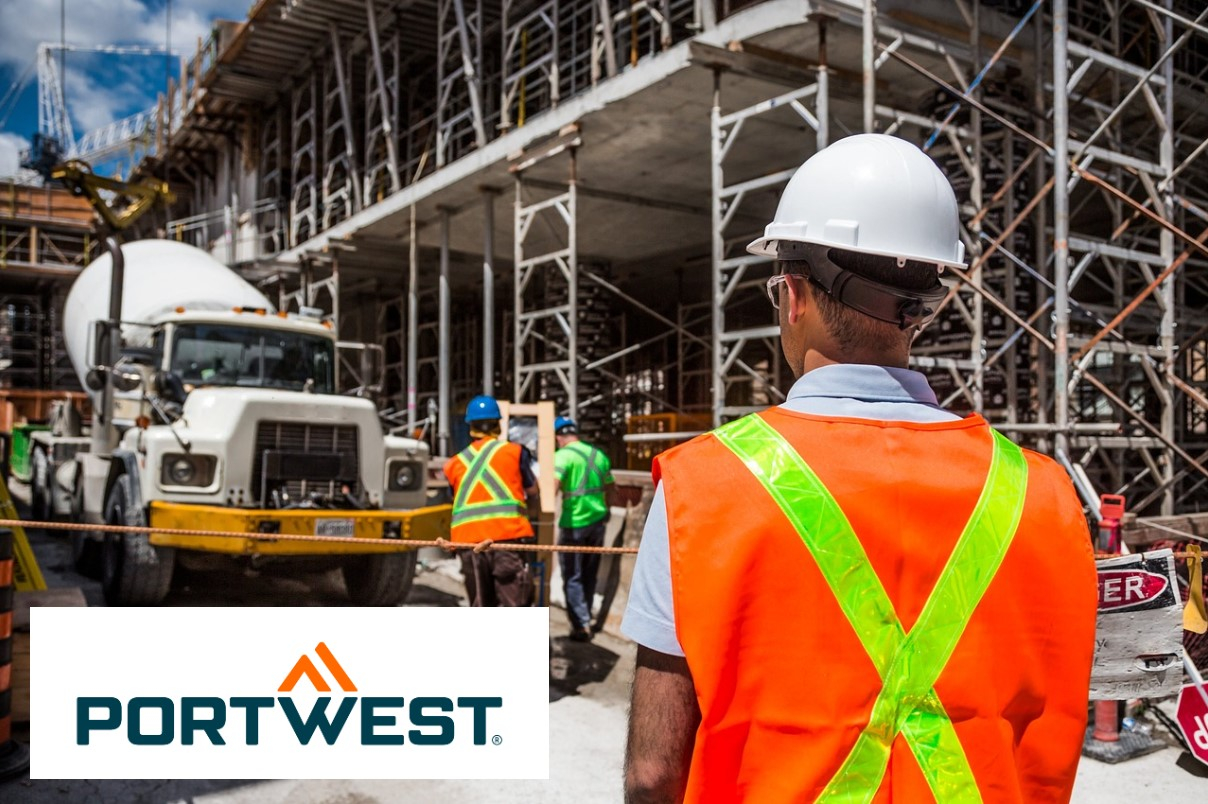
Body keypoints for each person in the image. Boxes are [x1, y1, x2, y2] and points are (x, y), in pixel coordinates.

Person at [621, 134, 1097, 803]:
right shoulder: (1042, 492)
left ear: (791, 296)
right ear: (923, 307)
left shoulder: (703, 488)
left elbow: (652, 773)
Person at [443, 395, 540, 607]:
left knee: (481, 604)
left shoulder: (454, 464)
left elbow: (458, 499)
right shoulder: (515, 452)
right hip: (506, 538)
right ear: (498, 424)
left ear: (471, 427)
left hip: (468, 543)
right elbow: (532, 490)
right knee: (513, 603)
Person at [553, 416, 615, 641]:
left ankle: (580, 626)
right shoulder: (598, 455)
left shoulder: (562, 456)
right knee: (589, 574)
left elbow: (552, 487)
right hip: (597, 523)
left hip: (573, 524)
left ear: (559, 437)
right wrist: (605, 510)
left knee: (572, 575)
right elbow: (611, 487)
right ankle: (586, 616)